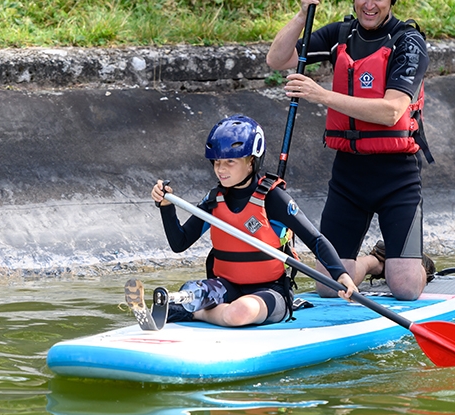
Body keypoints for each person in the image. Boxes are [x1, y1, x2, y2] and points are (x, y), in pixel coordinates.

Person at [265, 0, 435, 301]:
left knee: (405, 288)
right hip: (349, 176)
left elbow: (391, 112)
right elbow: (277, 59)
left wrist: (320, 94)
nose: (369, 6)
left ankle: (406, 265)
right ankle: (376, 262)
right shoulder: (341, 35)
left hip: (397, 177)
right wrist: (301, 14)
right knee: (327, 286)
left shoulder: (408, 43)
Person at [129, 114, 357, 329]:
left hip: (270, 292)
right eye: (217, 162)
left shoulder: (273, 198)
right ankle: (186, 303)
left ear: (251, 162)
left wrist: (341, 275)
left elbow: (315, 240)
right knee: (192, 290)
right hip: (226, 287)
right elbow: (179, 243)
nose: (221, 169)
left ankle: (190, 312)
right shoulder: (214, 200)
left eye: (230, 161)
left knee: (240, 313)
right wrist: (166, 207)